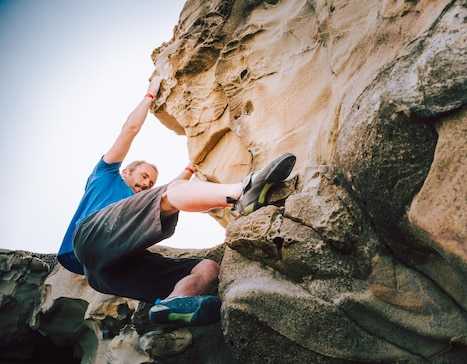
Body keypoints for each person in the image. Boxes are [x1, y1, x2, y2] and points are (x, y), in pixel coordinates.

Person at [57, 75, 296, 326]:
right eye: (144, 176)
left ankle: (174, 303)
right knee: (171, 193)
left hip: (107, 273)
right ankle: (241, 193)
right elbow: (130, 129)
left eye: (151, 183)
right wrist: (149, 95)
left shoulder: (135, 210)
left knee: (208, 269)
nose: (147, 184)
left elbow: (172, 188)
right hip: (90, 237)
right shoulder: (106, 175)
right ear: (126, 171)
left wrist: (193, 166)